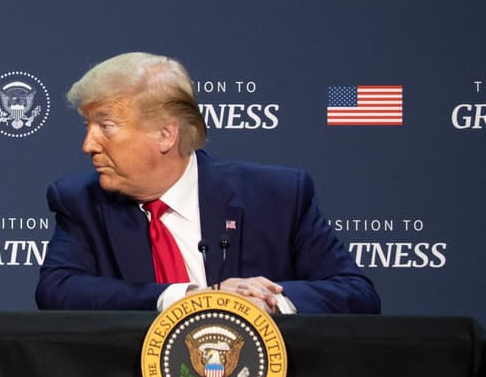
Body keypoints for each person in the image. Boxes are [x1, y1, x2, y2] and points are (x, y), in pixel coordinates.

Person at [36, 52, 379, 314]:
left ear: (165, 134)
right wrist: (189, 297)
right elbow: (58, 290)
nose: (88, 145)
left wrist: (267, 302)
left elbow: (357, 293)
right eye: (87, 126)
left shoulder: (279, 196)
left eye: (105, 126)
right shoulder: (81, 202)